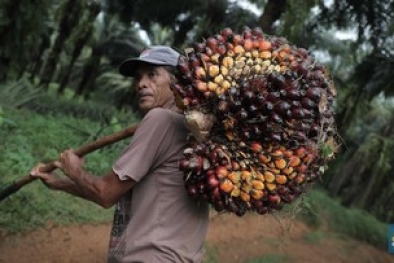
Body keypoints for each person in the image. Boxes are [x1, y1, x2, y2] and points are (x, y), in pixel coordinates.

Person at [30, 45, 210, 263]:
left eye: (152, 75)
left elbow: (106, 193)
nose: (141, 84)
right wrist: (60, 184)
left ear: (177, 83)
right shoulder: (193, 131)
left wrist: (74, 171)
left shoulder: (160, 120)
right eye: (138, 77)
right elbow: (121, 190)